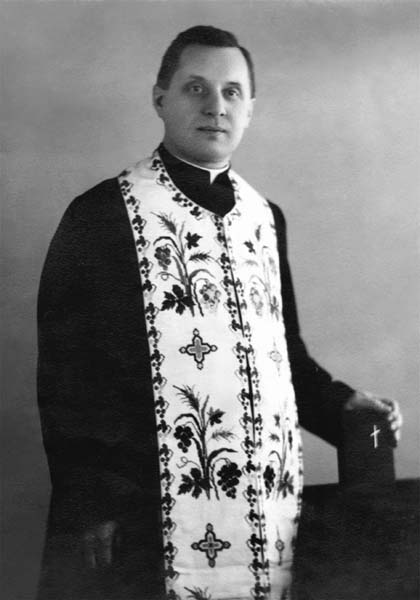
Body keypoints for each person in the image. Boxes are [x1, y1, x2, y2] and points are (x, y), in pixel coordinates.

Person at [37, 25, 403, 600]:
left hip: (266, 514)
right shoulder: (103, 214)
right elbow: (70, 375)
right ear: (160, 98)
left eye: (232, 92)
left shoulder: (265, 218)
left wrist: (343, 405)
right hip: (145, 517)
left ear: (250, 109)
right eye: (196, 88)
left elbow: (284, 359)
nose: (215, 106)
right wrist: (94, 500)